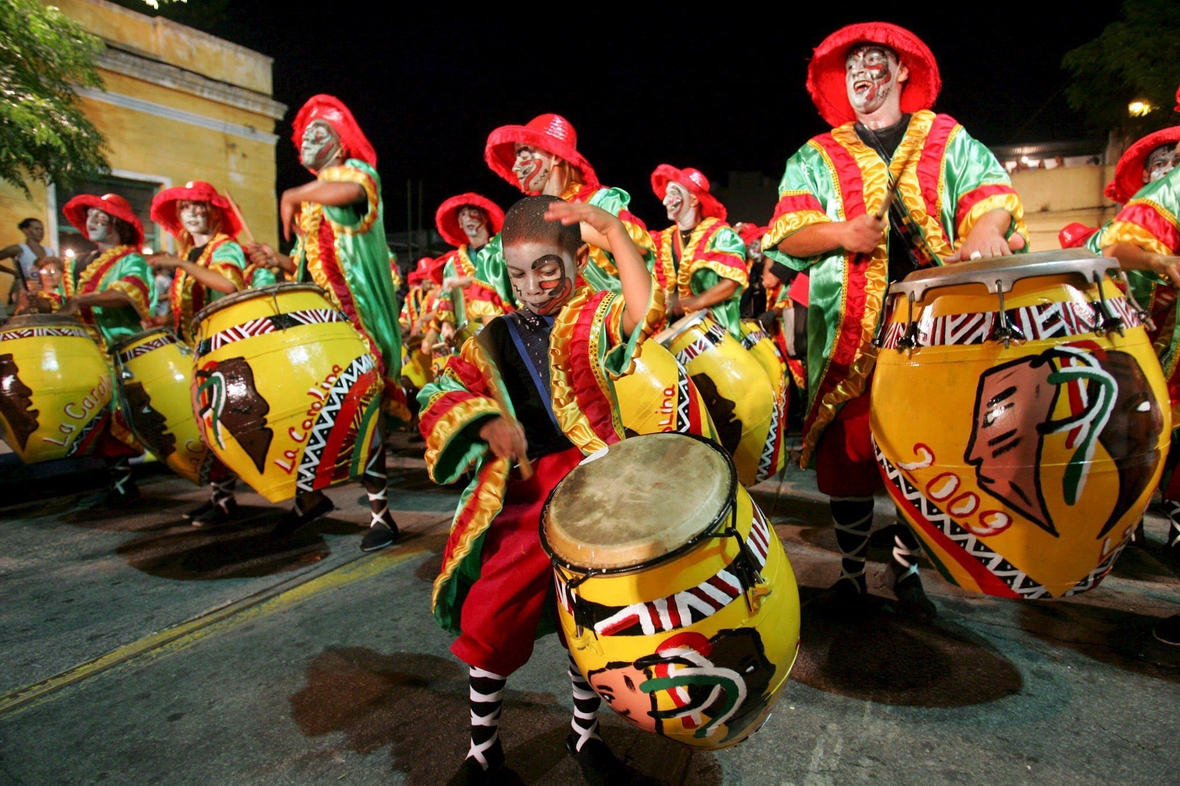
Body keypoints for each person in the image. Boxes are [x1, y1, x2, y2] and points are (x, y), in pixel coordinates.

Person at [761, 22, 1028, 618]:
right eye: (851, 64)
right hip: (852, 332)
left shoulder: (945, 137)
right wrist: (843, 233)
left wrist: (986, 229)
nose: (861, 72)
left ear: (903, 70)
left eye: (874, 59)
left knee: (926, 455)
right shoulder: (817, 155)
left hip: (938, 329)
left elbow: (989, 194)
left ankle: (906, 569)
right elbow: (789, 234)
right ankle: (853, 574)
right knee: (852, 457)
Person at [420, 196, 661, 784]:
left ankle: (585, 736)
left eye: (546, 268)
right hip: (525, 493)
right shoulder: (492, 337)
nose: (532, 285)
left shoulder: (595, 314)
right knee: (490, 615)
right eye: (519, 273)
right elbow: (439, 395)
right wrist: (484, 420)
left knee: (592, 617)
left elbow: (643, 305)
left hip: (597, 487)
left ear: (576, 259)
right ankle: (483, 751)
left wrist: (608, 227)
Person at [245, 94, 405, 551]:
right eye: (306, 134)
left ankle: (381, 515)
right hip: (316, 323)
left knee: (364, 411)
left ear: (340, 146)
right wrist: (275, 258)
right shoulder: (313, 204)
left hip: (356, 321)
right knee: (301, 406)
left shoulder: (358, 176)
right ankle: (308, 500)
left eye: (322, 133)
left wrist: (294, 193)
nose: (309, 139)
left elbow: (350, 195)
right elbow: (304, 262)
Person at [149, 180, 255, 525]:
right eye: (185, 207)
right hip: (198, 350)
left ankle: (227, 500)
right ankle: (220, 497)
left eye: (200, 206)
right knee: (206, 427)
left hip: (225, 349)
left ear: (214, 213)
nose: (192, 212)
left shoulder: (224, 246)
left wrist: (177, 265)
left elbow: (228, 285)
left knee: (220, 425)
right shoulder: (190, 255)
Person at [484, 113, 655, 296]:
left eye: (523, 154)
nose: (516, 166)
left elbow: (640, 250)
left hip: (609, 317)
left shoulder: (599, 201)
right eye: (515, 157)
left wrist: (573, 228)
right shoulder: (527, 220)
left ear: (555, 156)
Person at [57, 193, 155, 506]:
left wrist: (82, 301)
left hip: (117, 347)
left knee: (120, 416)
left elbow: (130, 293)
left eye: (102, 216)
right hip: (85, 350)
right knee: (96, 416)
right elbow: (64, 301)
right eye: (90, 215)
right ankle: (120, 484)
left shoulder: (131, 259)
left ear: (119, 224)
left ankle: (127, 486)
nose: (93, 221)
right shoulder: (77, 263)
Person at [650, 165, 747, 337]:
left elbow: (734, 280)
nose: (665, 201)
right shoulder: (662, 239)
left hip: (715, 332)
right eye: (666, 195)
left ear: (693, 200)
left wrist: (698, 301)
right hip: (672, 333)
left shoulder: (721, 235)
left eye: (673, 194)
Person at [432, 193, 510, 346]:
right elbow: (446, 299)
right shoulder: (452, 264)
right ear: (459, 223)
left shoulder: (501, 250)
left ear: (485, 217)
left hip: (503, 330)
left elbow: (504, 282)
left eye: (473, 213)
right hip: (468, 337)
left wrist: (464, 281)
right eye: (462, 215)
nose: (467, 218)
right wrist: (446, 325)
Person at [1, 217, 53, 301]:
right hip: (24, 289)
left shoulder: (49, 252)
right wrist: (14, 273)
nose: (40, 232)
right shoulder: (19, 248)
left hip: (44, 290)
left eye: (42, 229)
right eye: (36, 229)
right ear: (26, 230)